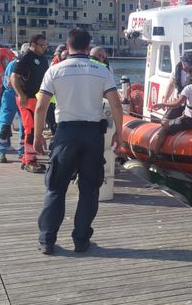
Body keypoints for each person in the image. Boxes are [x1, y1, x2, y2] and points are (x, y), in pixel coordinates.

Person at [32, 28, 124, 255]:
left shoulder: (55, 70)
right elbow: (116, 104)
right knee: (89, 189)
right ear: (88, 45)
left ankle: (47, 240)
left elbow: (41, 106)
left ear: (68, 44)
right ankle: (81, 240)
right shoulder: (102, 71)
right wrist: (118, 133)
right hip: (92, 135)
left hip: (65, 133)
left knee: (55, 188)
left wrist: (36, 136)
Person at [10, 34, 50, 173]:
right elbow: (13, 77)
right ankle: (29, 160)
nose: (44, 47)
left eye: (45, 45)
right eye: (41, 45)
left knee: (37, 128)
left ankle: (29, 156)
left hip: (38, 98)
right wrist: (21, 95)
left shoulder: (43, 59)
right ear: (33, 44)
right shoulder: (25, 58)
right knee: (30, 129)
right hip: (27, 99)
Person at [0, 44, 29, 163]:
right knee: (5, 125)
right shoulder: (13, 64)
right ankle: (1, 151)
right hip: (11, 95)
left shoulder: (31, 65)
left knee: (25, 126)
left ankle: (23, 151)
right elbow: (9, 83)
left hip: (24, 96)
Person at [160, 53, 192, 125]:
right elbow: (171, 85)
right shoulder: (177, 70)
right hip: (179, 102)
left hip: (191, 104)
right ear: (182, 62)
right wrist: (165, 101)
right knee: (164, 121)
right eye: (186, 65)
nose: (188, 68)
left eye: (190, 66)